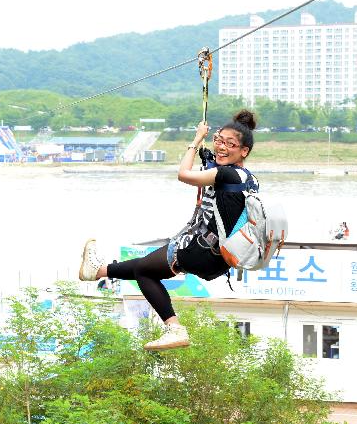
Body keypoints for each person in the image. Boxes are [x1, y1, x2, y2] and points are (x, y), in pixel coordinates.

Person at [78, 110, 259, 351]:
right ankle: (98, 271)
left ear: (243, 150)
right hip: (220, 258)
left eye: (230, 144)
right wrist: (209, 158)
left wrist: (196, 141)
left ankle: (174, 328)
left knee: (144, 271)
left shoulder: (225, 173)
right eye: (218, 140)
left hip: (203, 250)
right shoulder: (249, 178)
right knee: (148, 265)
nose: (221, 147)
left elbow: (184, 174)